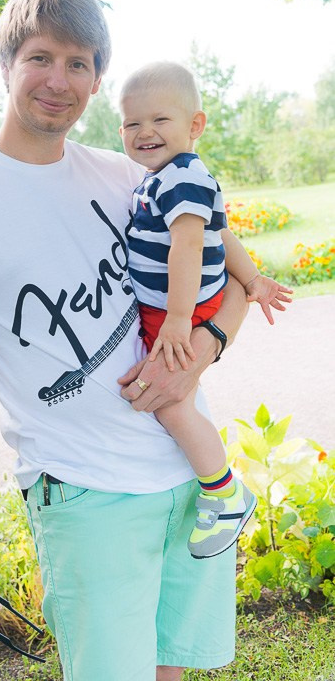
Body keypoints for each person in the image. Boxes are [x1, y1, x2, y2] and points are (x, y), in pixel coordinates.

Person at [0, 0, 252, 681]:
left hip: (192, 479)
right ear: (6, 65)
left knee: (174, 671)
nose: (60, 80)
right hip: (87, 494)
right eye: (41, 57)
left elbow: (236, 280)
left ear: (97, 82)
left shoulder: (128, 174)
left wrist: (201, 353)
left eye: (81, 63)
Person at [119, 61, 292, 560]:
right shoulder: (165, 177)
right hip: (175, 309)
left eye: (160, 120)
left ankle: (224, 492)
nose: (145, 132)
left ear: (195, 125)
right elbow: (221, 232)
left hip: (182, 311)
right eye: (132, 124)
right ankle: (213, 487)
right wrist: (253, 279)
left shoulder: (182, 177)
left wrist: (176, 319)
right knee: (176, 400)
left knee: (172, 403)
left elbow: (191, 245)